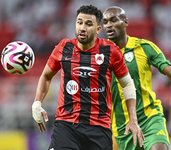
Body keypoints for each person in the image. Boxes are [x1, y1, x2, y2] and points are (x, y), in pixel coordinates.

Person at [31, 5, 144, 150]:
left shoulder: (111, 51)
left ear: (98, 29)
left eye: (88, 24)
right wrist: (37, 103)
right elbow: (46, 76)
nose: (82, 28)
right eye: (79, 22)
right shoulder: (64, 47)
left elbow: (128, 84)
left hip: (99, 127)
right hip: (66, 125)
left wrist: (133, 120)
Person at [102, 6, 171, 150]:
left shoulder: (144, 47)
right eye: (105, 22)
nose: (109, 24)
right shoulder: (101, 56)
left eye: (113, 20)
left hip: (149, 117)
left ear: (126, 22)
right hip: (121, 126)